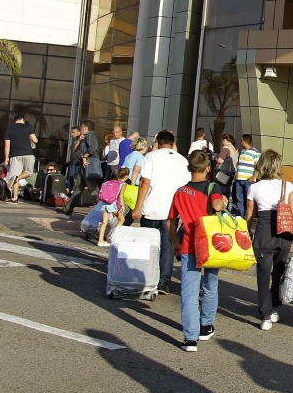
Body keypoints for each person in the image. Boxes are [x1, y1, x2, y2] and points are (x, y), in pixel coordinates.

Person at [167, 150, 227, 352]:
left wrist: (175, 242)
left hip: (188, 245)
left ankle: (190, 338)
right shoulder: (212, 187)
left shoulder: (180, 192)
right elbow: (218, 205)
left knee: (189, 292)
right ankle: (206, 325)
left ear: (189, 168)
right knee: (210, 285)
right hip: (211, 245)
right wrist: (224, 202)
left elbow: (170, 221)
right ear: (208, 168)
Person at [244, 149, 293, 331]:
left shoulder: (253, 187)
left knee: (263, 275)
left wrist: (247, 234)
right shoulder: (288, 186)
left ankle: (265, 314)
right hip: (284, 233)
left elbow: (249, 215)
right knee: (278, 272)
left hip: (263, 232)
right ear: (278, 165)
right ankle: (276, 308)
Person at [134, 130, 191, 293]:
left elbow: (145, 183)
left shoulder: (151, 157)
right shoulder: (182, 161)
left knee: (149, 244)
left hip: (151, 206)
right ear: (173, 143)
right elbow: (185, 187)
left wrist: (138, 207)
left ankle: (147, 277)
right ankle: (163, 281)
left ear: (157, 142)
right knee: (167, 245)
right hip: (171, 210)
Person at [64, 121, 100, 215]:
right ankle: (68, 209)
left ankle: (101, 208)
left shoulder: (91, 136)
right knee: (77, 188)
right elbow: (75, 149)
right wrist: (79, 140)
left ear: (86, 127)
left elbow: (93, 148)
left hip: (87, 165)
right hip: (81, 165)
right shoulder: (83, 137)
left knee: (93, 189)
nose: (81, 128)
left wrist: (84, 157)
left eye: (82, 126)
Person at [3, 113, 38, 204]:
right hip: (28, 154)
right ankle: (18, 178)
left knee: (14, 175)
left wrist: (6, 158)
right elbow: (35, 140)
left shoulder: (10, 129)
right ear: (22, 119)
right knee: (28, 172)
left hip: (15, 155)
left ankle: (15, 198)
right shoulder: (27, 127)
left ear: (14, 121)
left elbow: (7, 145)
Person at [96, 167, 129, 247]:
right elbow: (120, 196)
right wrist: (122, 206)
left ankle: (100, 241)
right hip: (112, 204)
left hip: (105, 202)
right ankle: (112, 236)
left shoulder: (110, 181)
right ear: (126, 176)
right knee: (121, 219)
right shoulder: (123, 184)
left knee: (104, 222)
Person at [233, 134, 260, 216]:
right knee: (239, 200)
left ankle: (250, 217)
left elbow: (259, 166)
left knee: (249, 200)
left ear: (245, 142)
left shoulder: (255, 152)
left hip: (248, 181)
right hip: (239, 180)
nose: (240, 142)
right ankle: (239, 216)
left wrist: (253, 178)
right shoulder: (242, 151)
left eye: (241, 140)